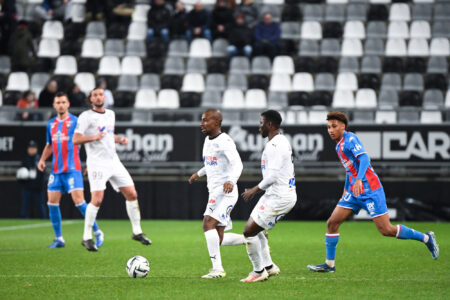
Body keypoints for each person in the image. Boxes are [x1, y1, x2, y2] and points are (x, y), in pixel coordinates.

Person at [307, 112, 439, 273]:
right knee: (332, 223)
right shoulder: (338, 146)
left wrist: (358, 179)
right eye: (328, 127)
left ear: (343, 126)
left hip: (370, 190)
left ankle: (426, 238)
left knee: (386, 230)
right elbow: (350, 170)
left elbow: (364, 159)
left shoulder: (351, 139)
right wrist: (346, 188)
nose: (330, 130)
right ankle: (329, 265)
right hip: (353, 192)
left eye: (334, 126)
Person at [73, 88, 151, 251]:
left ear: (105, 98)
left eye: (101, 94)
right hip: (97, 163)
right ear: (91, 99)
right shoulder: (86, 117)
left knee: (132, 193)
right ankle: (86, 237)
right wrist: (94, 137)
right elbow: (76, 139)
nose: (98, 97)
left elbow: (108, 134)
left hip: (113, 161)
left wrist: (119, 139)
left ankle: (137, 232)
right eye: (95, 95)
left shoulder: (110, 114)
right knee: (97, 199)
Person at [37, 92, 104, 248]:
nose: (61, 105)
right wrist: (42, 159)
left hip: (73, 169)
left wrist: (91, 162)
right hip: (56, 170)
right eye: (58, 102)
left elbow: (88, 141)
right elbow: (49, 145)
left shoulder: (76, 122)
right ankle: (59, 238)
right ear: (54, 105)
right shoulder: (51, 124)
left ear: (68, 104)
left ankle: (98, 232)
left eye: (63, 102)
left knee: (80, 203)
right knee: (52, 204)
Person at [240, 110, 297, 282]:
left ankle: (258, 272)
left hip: (280, 197)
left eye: (261, 123)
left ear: (270, 125)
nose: (259, 127)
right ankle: (270, 267)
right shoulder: (279, 141)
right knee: (257, 230)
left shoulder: (275, 146)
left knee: (248, 232)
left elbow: (272, 177)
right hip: (273, 195)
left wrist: (253, 190)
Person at [189, 109, 245, 279]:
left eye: (205, 120)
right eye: (201, 120)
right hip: (214, 191)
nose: (202, 124)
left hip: (225, 192)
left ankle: (217, 269)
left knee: (207, 224)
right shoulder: (207, 140)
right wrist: (198, 174)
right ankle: (251, 237)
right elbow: (211, 164)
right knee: (218, 238)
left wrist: (232, 180)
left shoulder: (225, 141)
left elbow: (238, 164)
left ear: (217, 123)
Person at [17, 140, 47, 219]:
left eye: (33, 148)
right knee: (25, 206)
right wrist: (24, 175)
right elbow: (20, 175)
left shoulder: (39, 159)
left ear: (36, 149)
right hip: (27, 187)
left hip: (38, 188)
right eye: (30, 148)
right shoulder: (25, 160)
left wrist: (40, 185)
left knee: (40, 206)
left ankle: (43, 219)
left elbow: (43, 174)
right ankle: (24, 219)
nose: (31, 150)